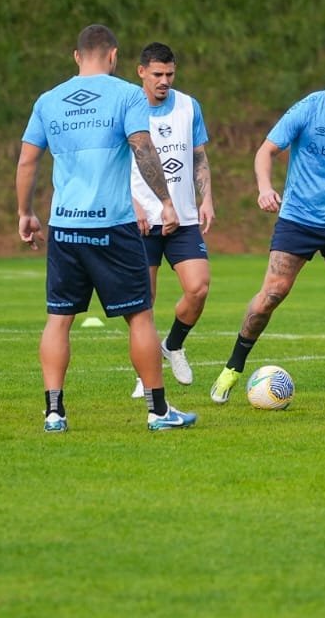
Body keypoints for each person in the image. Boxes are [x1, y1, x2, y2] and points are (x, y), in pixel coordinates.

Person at [16, 26, 194, 433]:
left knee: (59, 319)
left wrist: (25, 213)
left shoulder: (48, 100)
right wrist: (167, 202)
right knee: (140, 318)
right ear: (113, 56)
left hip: (65, 227)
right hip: (112, 225)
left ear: (76, 56)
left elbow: (28, 163)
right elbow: (143, 148)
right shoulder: (127, 94)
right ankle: (158, 411)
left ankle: (54, 413)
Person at [208, 51, 325, 409]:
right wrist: (265, 188)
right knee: (272, 294)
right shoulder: (307, 109)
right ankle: (232, 368)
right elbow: (265, 151)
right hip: (299, 218)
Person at [126, 42, 215, 397]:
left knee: (198, 287)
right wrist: (130, 203)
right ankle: (143, 376)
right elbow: (114, 164)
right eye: (158, 74)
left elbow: (199, 157)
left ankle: (173, 344)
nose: (164, 81)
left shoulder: (189, 106)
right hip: (143, 219)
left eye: (170, 74)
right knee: (143, 301)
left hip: (184, 217)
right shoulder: (127, 108)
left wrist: (206, 197)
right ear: (141, 72)